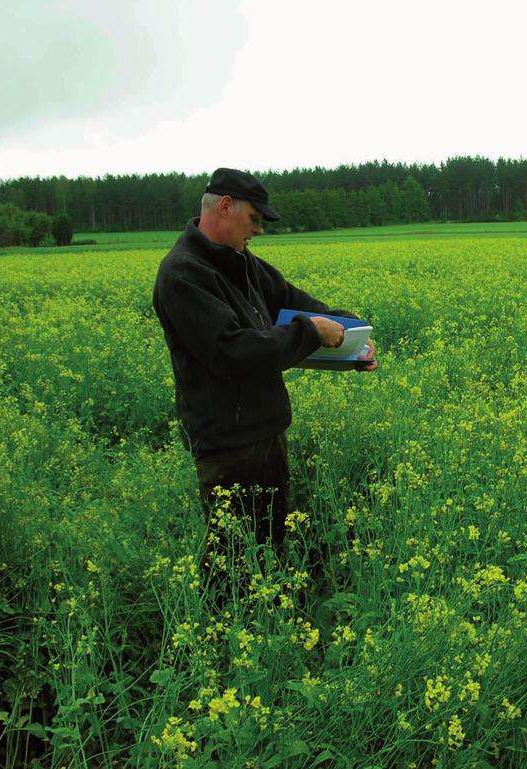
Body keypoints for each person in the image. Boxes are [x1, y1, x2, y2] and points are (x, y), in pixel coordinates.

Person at [152, 167, 376, 576]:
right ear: (224, 207)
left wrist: (351, 337)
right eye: (254, 218)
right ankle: (220, 634)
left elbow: (293, 301)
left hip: (266, 427)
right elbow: (233, 351)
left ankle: (266, 621)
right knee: (231, 557)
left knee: (269, 538)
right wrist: (310, 332)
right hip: (226, 441)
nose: (258, 230)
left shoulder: (242, 263)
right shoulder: (184, 273)